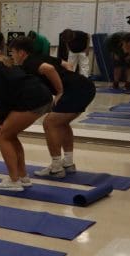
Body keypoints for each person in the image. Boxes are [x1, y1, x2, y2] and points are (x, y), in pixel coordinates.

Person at [0, 28, 52, 191]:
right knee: (10, 135)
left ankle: (14, 181)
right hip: (40, 95)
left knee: (2, 136)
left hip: (33, 98)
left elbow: (0, 95)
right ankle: (23, 177)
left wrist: (2, 120)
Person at [9, 36, 96, 178]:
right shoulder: (41, 57)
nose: (12, 55)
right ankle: (67, 162)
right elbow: (67, 65)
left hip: (76, 90)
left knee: (50, 123)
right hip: (84, 86)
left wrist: (60, 90)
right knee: (61, 123)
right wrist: (70, 80)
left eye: (12, 52)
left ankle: (56, 167)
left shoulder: (29, 63)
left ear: (22, 53)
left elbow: (48, 69)